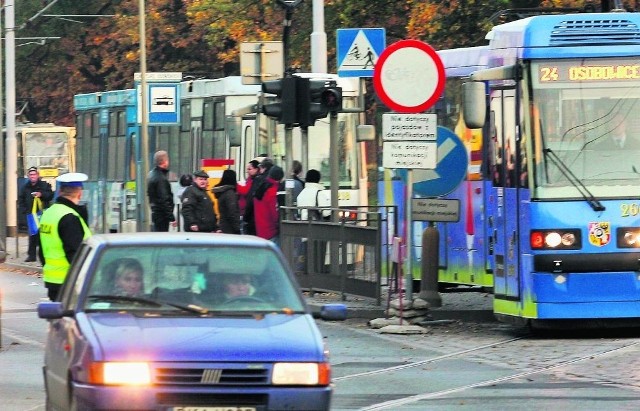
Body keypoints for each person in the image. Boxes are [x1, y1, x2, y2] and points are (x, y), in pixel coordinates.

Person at [39, 173, 92, 300]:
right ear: (79, 193)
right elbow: (75, 254)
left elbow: (41, 250)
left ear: (60, 191)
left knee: (58, 318)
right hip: (70, 281)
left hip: (52, 280)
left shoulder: (48, 213)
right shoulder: (69, 217)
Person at [18, 167, 54, 262]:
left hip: (43, 214)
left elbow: (50, 196)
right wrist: (25, 211)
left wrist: (41, 194)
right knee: (33, 235)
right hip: (31, 215)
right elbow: (21, 200)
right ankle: (32, 256)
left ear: (37, 175)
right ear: (28, 176)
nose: (32, 176)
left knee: (44, 234)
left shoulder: (44, 185)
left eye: (34, 174)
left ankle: (46, 254)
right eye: (31, 175)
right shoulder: (25, 187)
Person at [243, 157, 274, 235]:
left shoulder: (258, 180)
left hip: (256, 220)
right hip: (271, 224)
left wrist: (246, 218)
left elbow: (250, 201)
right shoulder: (275, 181)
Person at [253, 165, 284, 244]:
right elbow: (275, 214)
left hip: (260, 230)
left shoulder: (261, 187)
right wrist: (279, 225)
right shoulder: (272, 191)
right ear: (279, 178)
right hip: (271, 232)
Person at [147, 150, 176, 232]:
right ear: (165, 162)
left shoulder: (151, 174)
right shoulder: (161, 178)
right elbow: (164, 199)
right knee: (162, 237)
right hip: (162, 216)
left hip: (156, 214)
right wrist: (171, 217)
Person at [212, 169, 241, 234]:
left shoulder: (222, 192)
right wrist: (237, 228)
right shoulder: (230, 193)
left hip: (223, 225)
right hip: (230, 228)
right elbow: (232, 212)